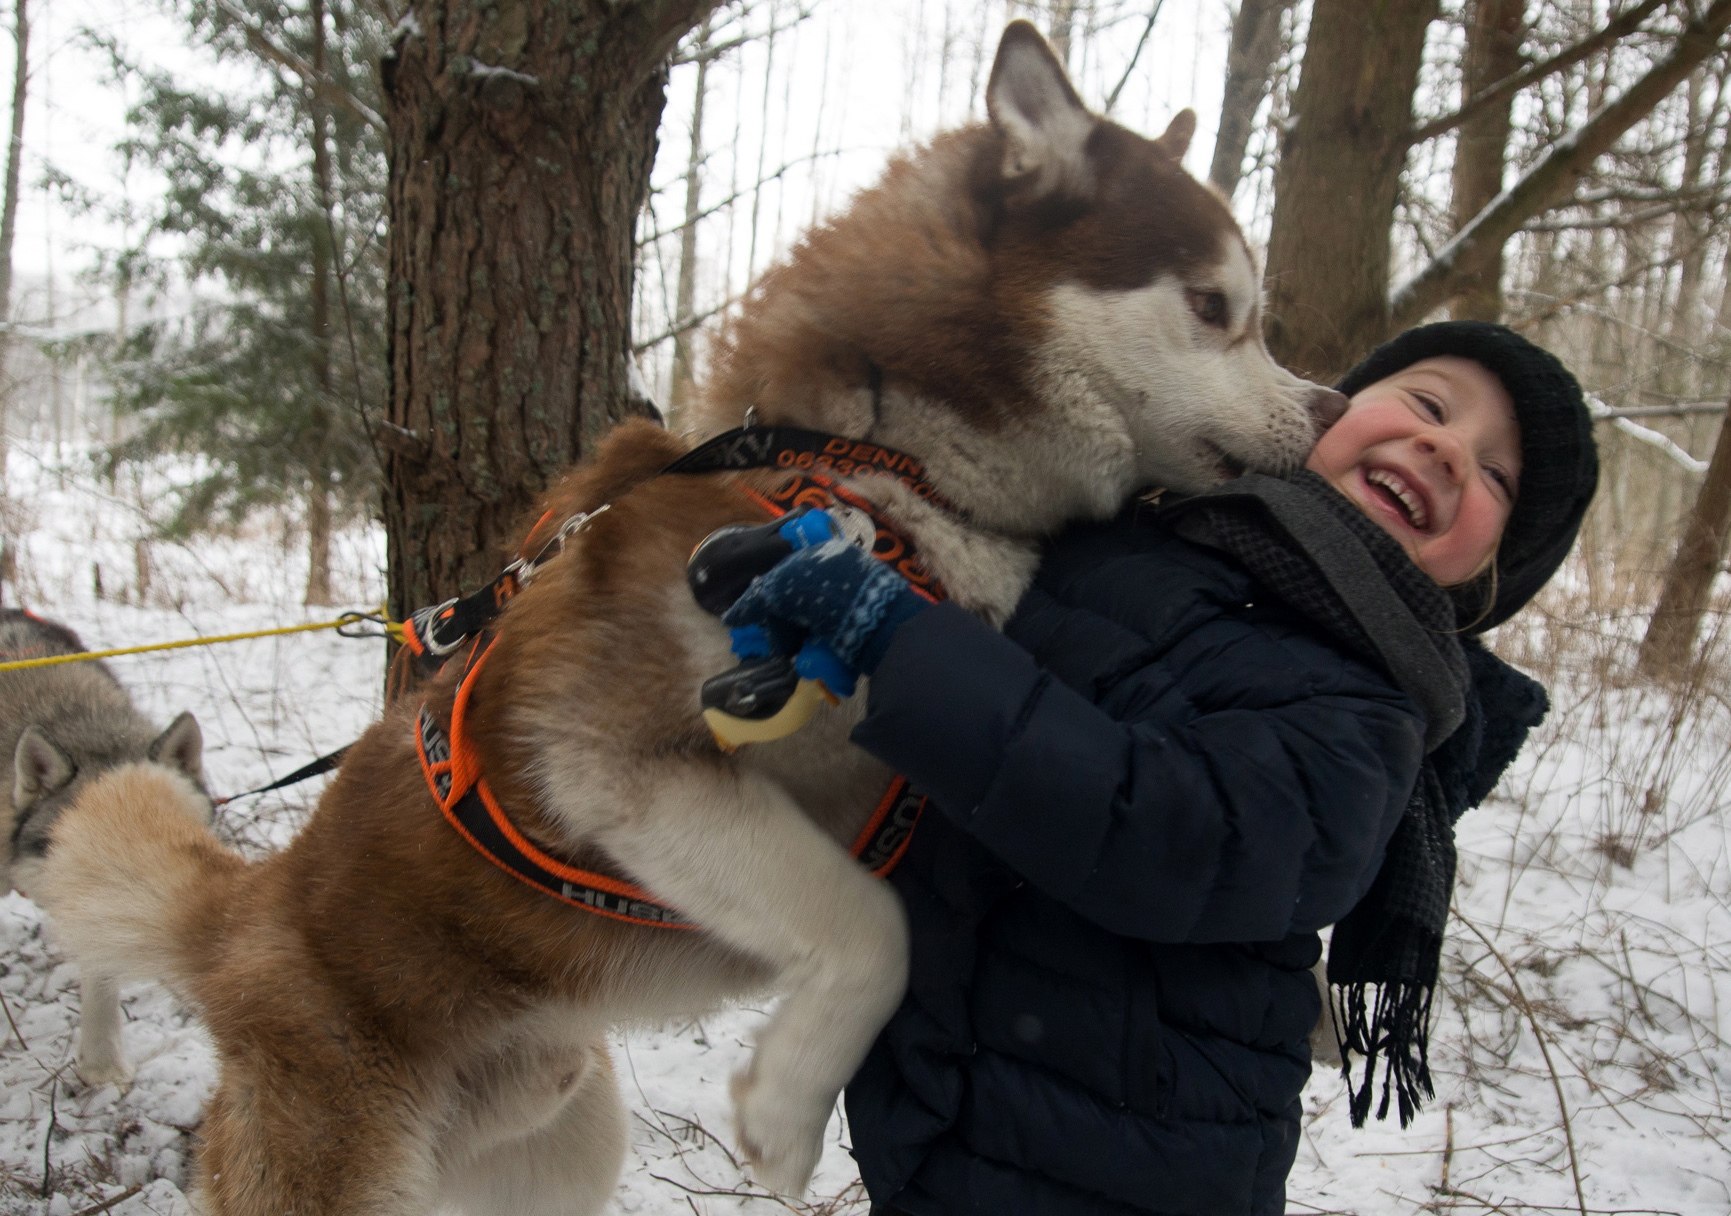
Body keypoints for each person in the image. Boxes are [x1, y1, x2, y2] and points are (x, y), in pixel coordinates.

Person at [718, 320, 1600, 1215]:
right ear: (1329, 410)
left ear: (1488, 573)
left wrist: (891, 633)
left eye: (1496, 476)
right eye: (1426, 402)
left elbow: (1167, 834)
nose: (1446, 448)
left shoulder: (1365, 713)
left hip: (1129, 1166)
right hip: (947, 1101)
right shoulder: (1130, 529)